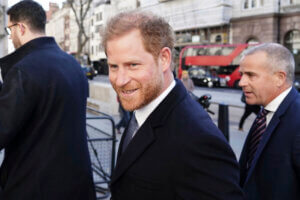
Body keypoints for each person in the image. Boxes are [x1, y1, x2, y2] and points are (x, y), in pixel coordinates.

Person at [102, 11, 244, 200]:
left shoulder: (198, 139)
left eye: (133, 65)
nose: (120, 80)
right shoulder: (144, 105)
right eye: (113, 67)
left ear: (164, 59)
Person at [0, 1, 96, 199]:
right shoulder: (72, 64)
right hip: (76, 184)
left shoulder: (23, 70)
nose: (11, 37)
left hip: (33, 187)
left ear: (21, 28)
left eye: (10, 30)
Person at [238, 43, 300, 200]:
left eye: (251, 75)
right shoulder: (264, 112)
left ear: (279, 78)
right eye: (242, 74)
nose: (242, 82)